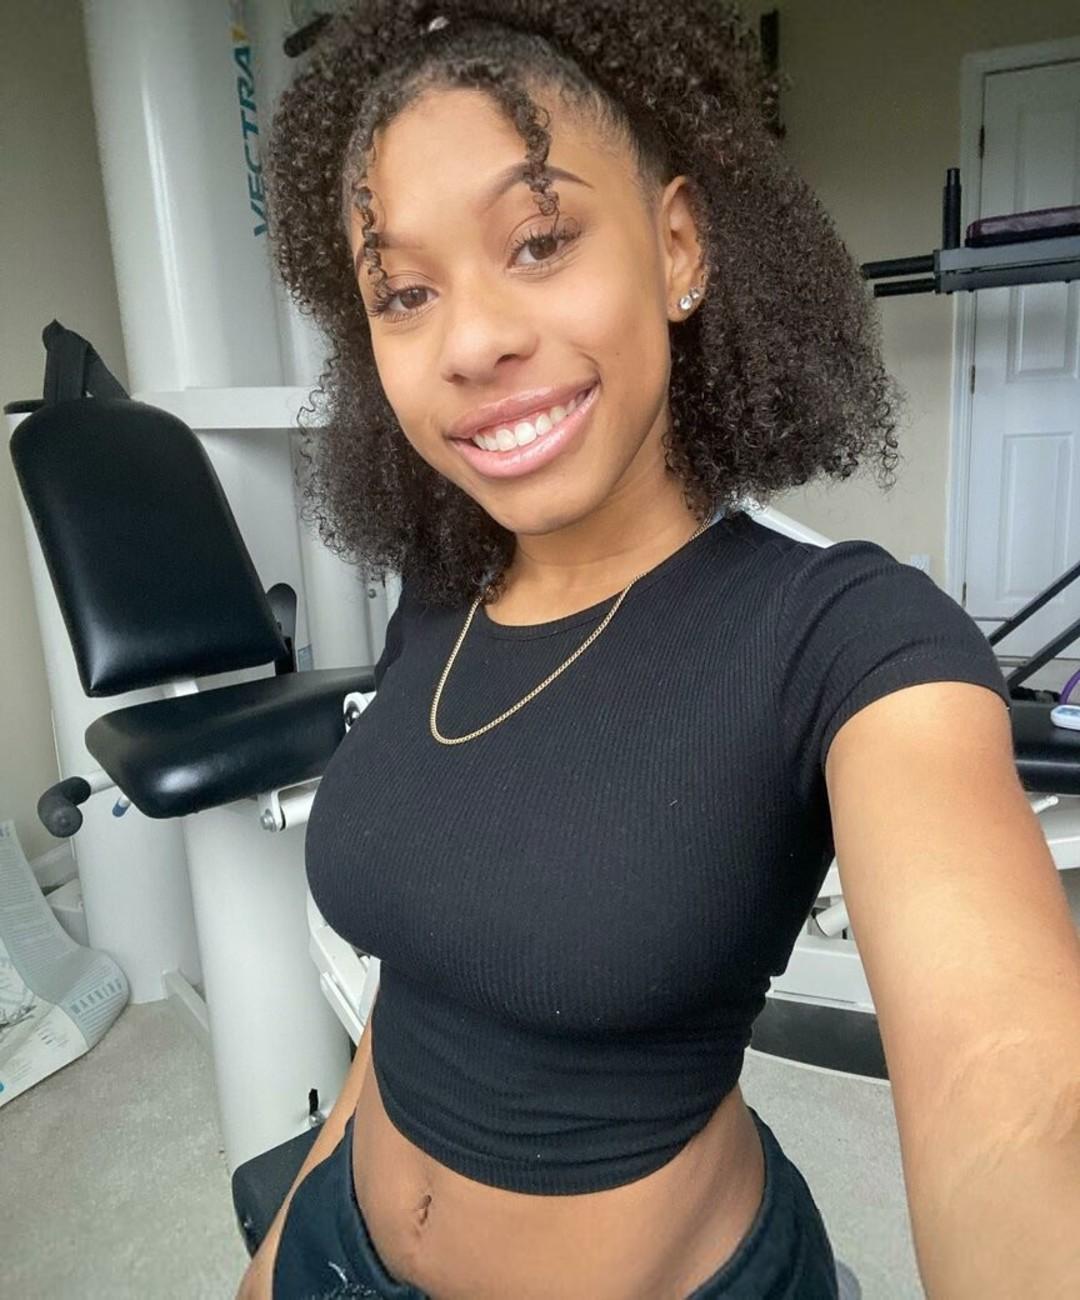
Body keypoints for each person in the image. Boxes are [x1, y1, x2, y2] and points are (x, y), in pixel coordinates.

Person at [238, 2, 1080, 1296]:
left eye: (539, 242)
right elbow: (416, 993)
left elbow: (1017, 1107)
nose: (470, 341)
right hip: (340, 1253)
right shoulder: (439, 601)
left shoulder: (845, 634)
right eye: (403, 293)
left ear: (677, 245)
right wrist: (291, 1242)